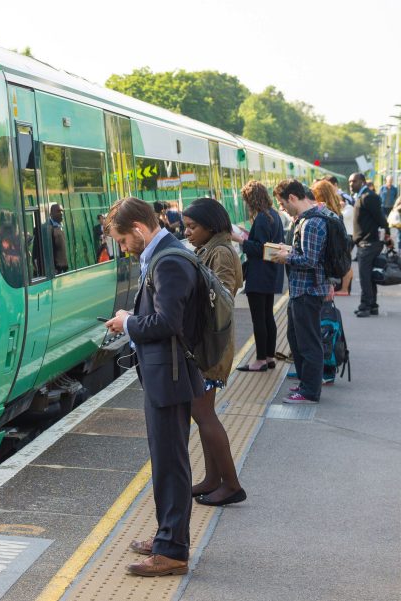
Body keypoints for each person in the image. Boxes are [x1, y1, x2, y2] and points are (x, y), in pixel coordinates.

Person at [103, 197, 203, 577]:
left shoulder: (170, 262)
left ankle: (173, 550)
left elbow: (167, 323)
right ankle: (166, 536)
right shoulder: (165, 254)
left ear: (140, 230)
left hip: (171, 376)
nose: (124, 249)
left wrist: (127, 322)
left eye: (124, 241)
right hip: (166, 373)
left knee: (171, 464)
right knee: (164, 462)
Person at [181, 198, 246, 507]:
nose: (187, 232)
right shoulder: (213, 248)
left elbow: (221, 298)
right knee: (203, 414)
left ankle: (231, 484)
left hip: (211, 348)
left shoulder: (219, 252)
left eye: (192, 227)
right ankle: (211, 479)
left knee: (203, 414)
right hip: (210, 345)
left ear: (210, 226)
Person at [272, 180, 327, 404]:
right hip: (300, 290)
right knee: (296, 338)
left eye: (283, 204)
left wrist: (286, 256)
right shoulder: (306, 221)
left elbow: (310, 260)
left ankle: (310, 392)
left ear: (293, 198)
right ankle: (307, 384)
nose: (283, 209)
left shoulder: (312, 223)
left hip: (308, 290)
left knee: (308, 343)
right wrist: (290, 250)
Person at [231, 181, 284, 372]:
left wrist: (240, 239)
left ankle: (260, 359)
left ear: (251, 199)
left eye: (246, 200)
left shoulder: (262, 218)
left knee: (259, 319)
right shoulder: (273, 215)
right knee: (268, 316)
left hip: (260, 274)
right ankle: (269, 356)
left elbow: (260, 248)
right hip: (270, 273)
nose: (246, 205)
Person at [349, 173, 392, 317]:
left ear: (362, 182)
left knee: (365, 276)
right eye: (349, 182)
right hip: (366, 242)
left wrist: (387, 234)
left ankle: (365, 305)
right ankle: (372, 305)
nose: (351, 184)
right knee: (370, 276)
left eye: (353, 181)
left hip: (369, 243)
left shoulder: (369, 197)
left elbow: (380, 218)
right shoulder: (362, 196)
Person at [311, 179, 353, 296]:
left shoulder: (324, 213)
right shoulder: (336, 211)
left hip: (325, 262)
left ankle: (343, 289)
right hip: (333, 260)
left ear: (320, 195)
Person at [49, 203, 68, 274]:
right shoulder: (46, 229)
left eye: (62, 211)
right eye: (58, 211)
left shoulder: (60, 227)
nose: (61, 213)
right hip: (54, 273)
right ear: (51, 214)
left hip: (63, 271)